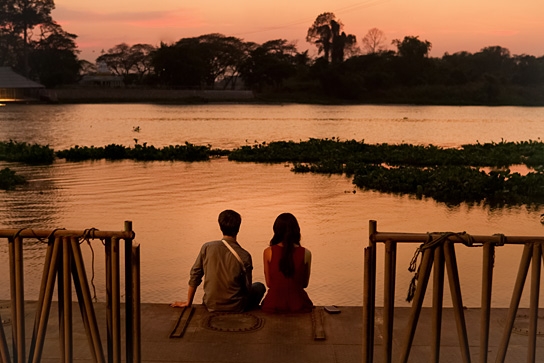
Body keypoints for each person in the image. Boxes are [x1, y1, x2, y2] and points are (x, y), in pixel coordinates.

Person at [171, 209, 265, 312]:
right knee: (259, 287)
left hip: (211, 304)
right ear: (238, 228)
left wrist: (188, 302)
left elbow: (195, 274)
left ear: (220, 227)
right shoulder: (245, 256)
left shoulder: (207, 248)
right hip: (236, 306)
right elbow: (247, 288)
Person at [261, 213, 313, 313]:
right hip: (299, 305)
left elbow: (269, 283)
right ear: (296, 230)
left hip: (273, 304)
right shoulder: (306, 253)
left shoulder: (268, 252)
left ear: (276, 230)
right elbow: (304, 284)